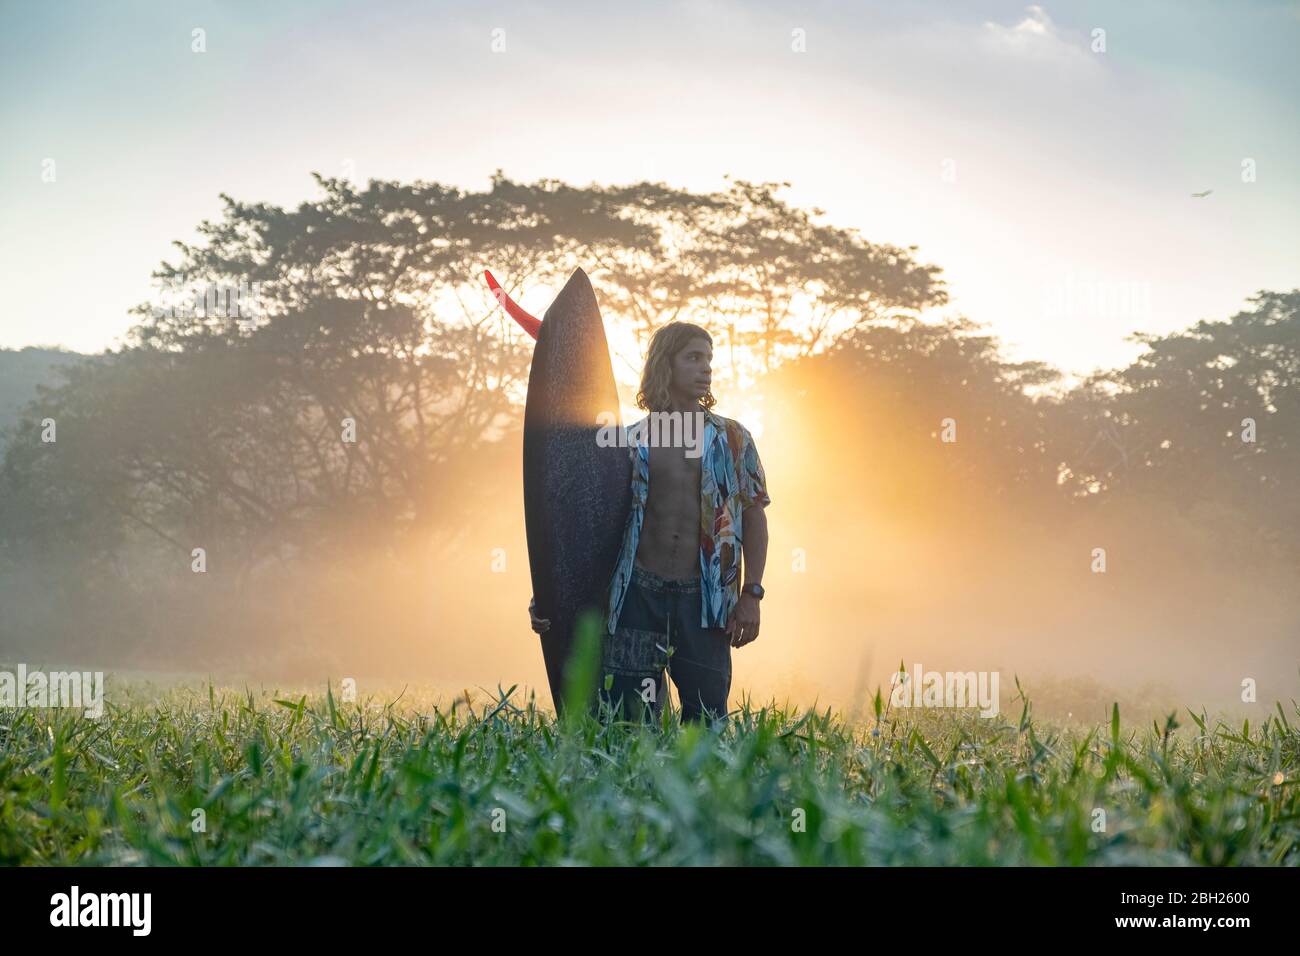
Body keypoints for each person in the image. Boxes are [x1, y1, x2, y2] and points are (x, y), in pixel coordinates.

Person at [529, 321, 770, 726]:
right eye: (693, 358)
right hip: (638, 596)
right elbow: (584, 526)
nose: (706, 368)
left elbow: (755, 515)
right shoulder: (628, 442)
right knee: (630, 723)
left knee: (708, 722)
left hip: (706, 601)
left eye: (708, 359)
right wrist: (552, 594)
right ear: (666, 364)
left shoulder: (732, 438)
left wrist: (752, 594)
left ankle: (695, 792)